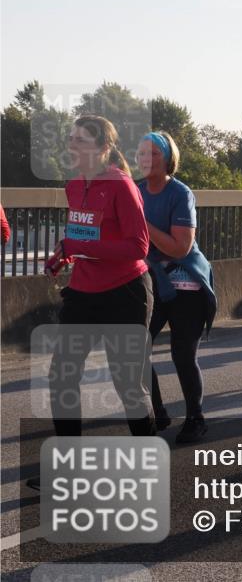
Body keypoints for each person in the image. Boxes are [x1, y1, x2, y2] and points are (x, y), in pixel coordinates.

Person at [43, 115, 156, 439]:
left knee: (127, 384)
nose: (72, 145)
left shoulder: (121, 185)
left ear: (104, 148)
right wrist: (64, 255)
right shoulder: (74, 185)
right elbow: (85, 236)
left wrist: (78, 244)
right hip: (83, 291)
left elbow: (138, 246)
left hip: (125, 294)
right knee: (61, 376)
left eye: (81, 140)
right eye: (71, 138)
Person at [137, 132, 217, 444]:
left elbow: (180, 247)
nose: (147, 159)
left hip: (187, 283)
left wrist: (142, 222)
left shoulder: (180, 193)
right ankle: (156, 411)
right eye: (142, 153)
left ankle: (196, 419)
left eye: (154, 153)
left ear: (169, 159)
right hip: (151, 281)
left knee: (182, 354)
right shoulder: (135, 190)